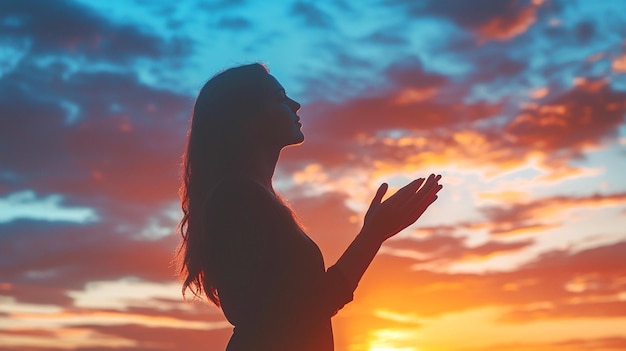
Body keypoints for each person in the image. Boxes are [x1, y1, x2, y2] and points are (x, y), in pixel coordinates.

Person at [176, 63, 443, 351]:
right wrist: (373, 234)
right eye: (280, 98)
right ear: (247, 119)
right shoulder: (237, 198)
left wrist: (375, 233)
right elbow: (289, 314)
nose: (296, 104)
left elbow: (303, 307)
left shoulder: (250, 197)